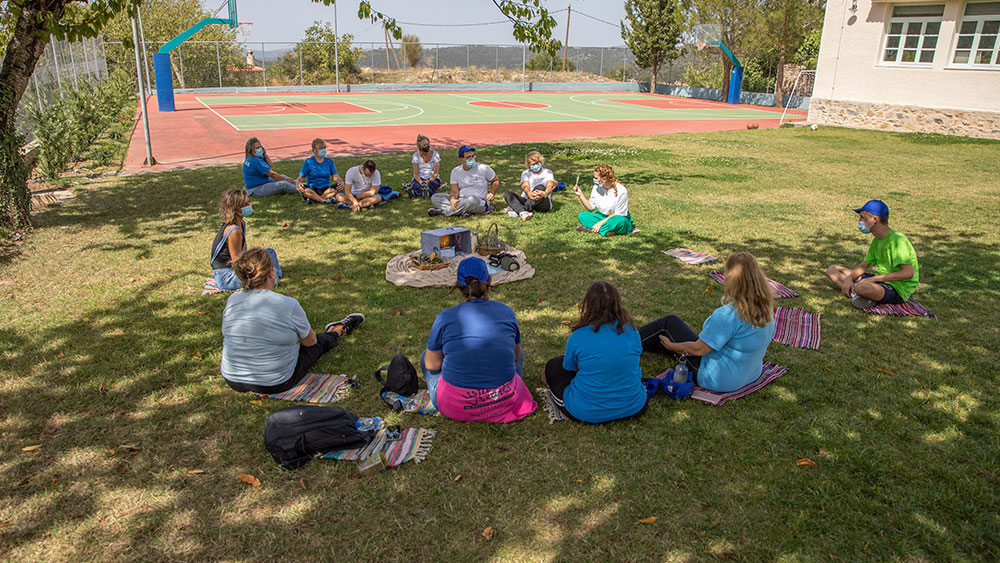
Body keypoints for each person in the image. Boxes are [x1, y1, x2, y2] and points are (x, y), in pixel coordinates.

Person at [220, 248, 365, 394]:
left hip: (232, 379)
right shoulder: (288, 304)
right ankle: (337, 331)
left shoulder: (233, 299)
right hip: (274, 382)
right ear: (271, 272)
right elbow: (310, 342)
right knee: (318, 343)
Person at [420, 257, 536, 422]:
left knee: (426, 356)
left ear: (459, 287)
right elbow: (516, 357)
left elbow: (432, 365)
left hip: (456, 407)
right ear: (488, 281)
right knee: (517, 352)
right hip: (504, 401)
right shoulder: (506, 312)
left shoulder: (445, 317)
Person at [639, 252, 776, 393]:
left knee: (668, 324)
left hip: (718, 379)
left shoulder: (728, 315)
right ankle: (650, 342)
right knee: (665, 336)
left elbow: (699, 349)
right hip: (750, 374)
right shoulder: (767, 310)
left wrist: (672, 346)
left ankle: (623, 344)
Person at [542, 281, 647, 423]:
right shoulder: (632, 332)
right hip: (633, 407)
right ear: (618, 303)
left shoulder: (578, 336)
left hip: (586, 412)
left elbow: (570, 367)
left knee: (554, 366)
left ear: (588, 305)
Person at [826, 199, 920, 309]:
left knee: (864, 288)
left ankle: (858, 292)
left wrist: (874, 279)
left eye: (862, 217)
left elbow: (908, 273)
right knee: (832, 270)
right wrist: (849, 278)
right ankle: (857, 293)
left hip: (898, 287)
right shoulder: (877, 240)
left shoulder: (897, 240)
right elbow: (863, 266)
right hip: (879, 280)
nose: (859, 221)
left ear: (875, 219)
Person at [210, 187, 282, 291]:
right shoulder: (234, 230)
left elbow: (245, 253)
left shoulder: (241, 224)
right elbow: (237, 262)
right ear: (235, 208)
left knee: (269, 253)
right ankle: (272, 277)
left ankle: (271, 275)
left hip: (237, 268)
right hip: (226, 276)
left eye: (249, 203)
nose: (249, 206)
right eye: (246, 204)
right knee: (263, 270)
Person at [428, 145, 499, 217]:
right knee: (435, 197)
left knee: (471, 200)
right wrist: (453, 199)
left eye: (473, 156)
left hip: (479, 201)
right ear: (461, 159)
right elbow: (454, 191)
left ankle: (443, 212)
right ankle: (463, 211)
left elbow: (495, 180)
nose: (472, 159)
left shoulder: (483, 168)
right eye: (468, 157)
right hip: (461, 200)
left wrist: (492, 192)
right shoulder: (455, 171)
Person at [572, 164, 634, 236]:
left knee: (620, 222)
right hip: (601, 217)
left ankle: (592, 229)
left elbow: (618, 214)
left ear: (603, 179)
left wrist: (599, 224)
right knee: (582, 216)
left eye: (596, 178)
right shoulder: (596, 187)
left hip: (616, 218)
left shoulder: (622, 190)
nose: (594, 180)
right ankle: (607, 231)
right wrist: (580, 195)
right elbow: (591, 208)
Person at [503, 150, 556, 222]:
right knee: (508, 194)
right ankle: (523, 212)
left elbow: (550, 185)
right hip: (528, 198)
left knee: (540, 187)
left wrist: (544, 193)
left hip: (542, 201)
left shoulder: (547, 172)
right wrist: (529, 193)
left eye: (537, 163)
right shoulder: (525, 173)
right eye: (533, 164)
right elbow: (525, 185)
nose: (535, 165)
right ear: (528, 165)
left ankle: (519, 209)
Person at [296, 138, 343, 204]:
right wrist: (298, 183)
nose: (323, 150)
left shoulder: (329, 161)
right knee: (304, 190)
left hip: (326, 189)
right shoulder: (308, 162)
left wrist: (340, 182)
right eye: (321, 149)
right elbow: (301, 177)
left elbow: (335, 176)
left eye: (324, 148)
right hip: (312, 189)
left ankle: (315, 199)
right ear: (314, 150)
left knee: (337, 188)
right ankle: (323, 200)